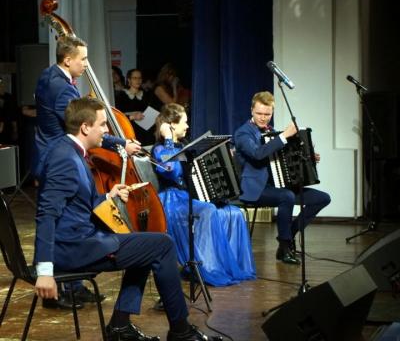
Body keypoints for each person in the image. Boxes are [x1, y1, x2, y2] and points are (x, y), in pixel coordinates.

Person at [34, 97, 223, 341]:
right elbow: (47, 214)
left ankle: (121, 326)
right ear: (85, 127)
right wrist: (45, 270)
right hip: (74, 248)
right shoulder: (65, 158)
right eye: (102, 125)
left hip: (78, 240)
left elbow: (77, 202)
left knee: (147, 246)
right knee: (163, 244)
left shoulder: (70, 151)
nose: (106, 131)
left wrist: (107, 196)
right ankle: (181, 332)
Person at [33, 34, 141, 309]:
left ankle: (73, 286)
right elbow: (80, 126)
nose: (86, 65)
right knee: (73, 218)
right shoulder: (63, 91)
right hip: (60, 158)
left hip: (49, 153)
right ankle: (65, 285)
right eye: (83, 59)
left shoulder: (48, 76)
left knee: (72, 216)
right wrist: (121, 143)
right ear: (67, 60)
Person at [152, 103, 256, 287]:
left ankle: (227, 266)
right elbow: (172, 172)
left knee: (234, 213)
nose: (188, 126)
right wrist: (168, 139)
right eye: (184, 122)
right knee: (208, 211)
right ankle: (206, 267)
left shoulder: (185, 145)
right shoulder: (160, 149)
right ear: (171, 125)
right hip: (171, 200)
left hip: (188, 197)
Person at [234, 91, 331, 264]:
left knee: (322, 198)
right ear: (251, 111)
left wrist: (309, 156)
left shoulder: (271, 132)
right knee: (286, 196)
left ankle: (289, 237)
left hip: (278, 186)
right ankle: (285, 247)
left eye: (267, 114)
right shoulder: (243, 134)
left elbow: (285, 156)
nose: (263, 118)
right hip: (255, 189)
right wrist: (284, 136)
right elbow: (257, 154)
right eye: (259, 114)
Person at [115, 68, 155, 146]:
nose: (138, 80)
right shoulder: (121, 95)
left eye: (139, 78)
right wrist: (132, 116)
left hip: (145, 130)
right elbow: (117, 115)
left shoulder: (146, 94)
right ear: (129, 80)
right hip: (129, 128)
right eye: (135, 78)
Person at [0, 77, 18, 145]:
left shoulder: (9, 98)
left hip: (7, 129)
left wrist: (15, 130)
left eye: (1, 84)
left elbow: (13, 115)